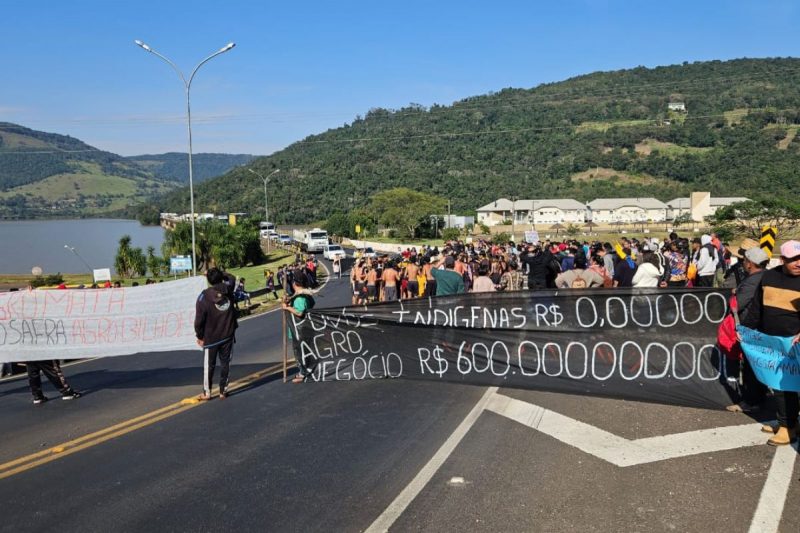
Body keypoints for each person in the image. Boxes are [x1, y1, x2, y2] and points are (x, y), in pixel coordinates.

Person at [744, 240, 800, 446]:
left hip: (795, 344)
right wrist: (746, 330)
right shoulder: (769, 277)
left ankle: (788, 427)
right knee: (780, 386)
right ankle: (787, 423)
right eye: (793, 259)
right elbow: (757, 308)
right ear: (782, 259)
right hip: (773, 343)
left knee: (788, 386)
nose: (798, 263)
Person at [194, 267, 238, 400]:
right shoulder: (228, 288)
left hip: (211, 337)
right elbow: (232, 278)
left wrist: (200, 336)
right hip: (227, 334)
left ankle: (207, 392)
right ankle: (222, 391)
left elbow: (199, 320)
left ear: (208, 280)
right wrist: (220, 274)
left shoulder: (204, 296)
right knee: (226, 363)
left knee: (209, 365)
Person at [282, 273, 316, 383]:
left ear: (294, 283)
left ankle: (303, 373)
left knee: (300, 352)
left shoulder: (301, 297)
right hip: (306, 328)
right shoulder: (303, 295)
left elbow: (300, 312)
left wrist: (287, 308)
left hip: (300, 330)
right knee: (304, 351)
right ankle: (305, 371)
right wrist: (288, 301)